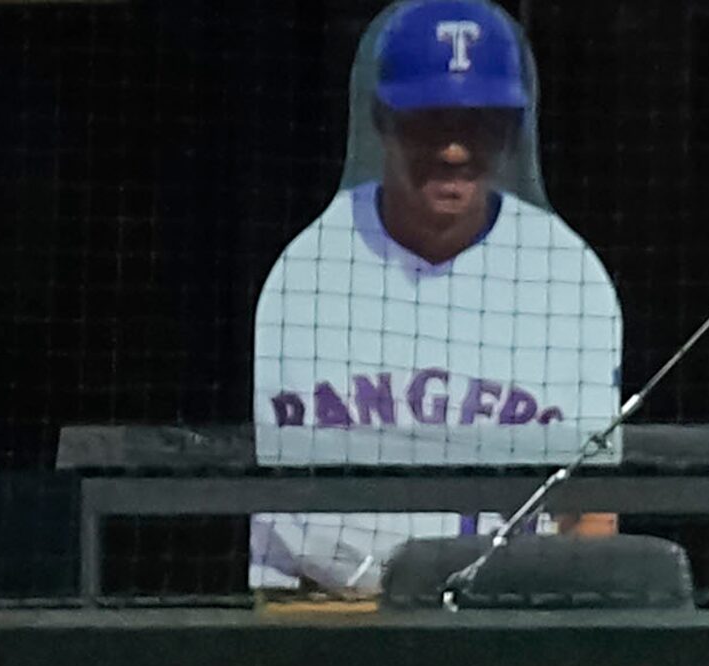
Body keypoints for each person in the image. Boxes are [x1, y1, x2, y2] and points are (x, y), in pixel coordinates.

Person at [252, 0, 620, 598]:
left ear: (512, 130)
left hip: (512, 621)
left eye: (480, 124)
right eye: (430, 121)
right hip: (329, 617)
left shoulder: (569, 276)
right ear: (380, 120)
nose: (455, 149)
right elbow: (281, 525)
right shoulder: (303, 275)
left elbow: (594, 514)